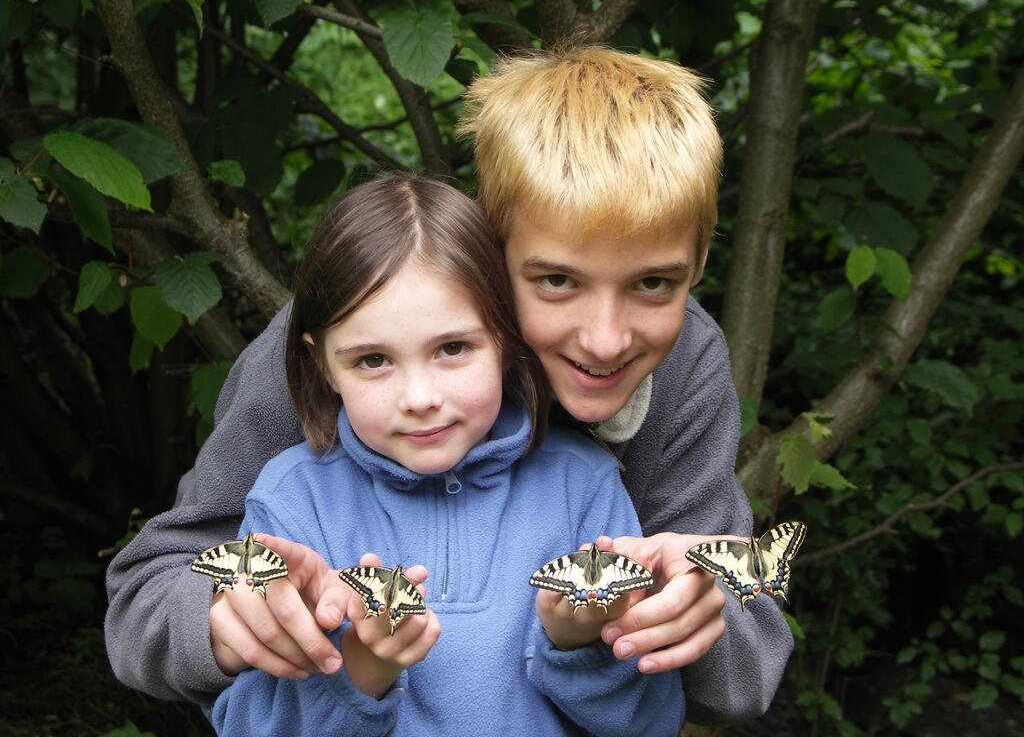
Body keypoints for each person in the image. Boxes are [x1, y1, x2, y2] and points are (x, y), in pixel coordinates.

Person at [104, 46, 793, 723]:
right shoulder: (354, 335)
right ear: (492, 242)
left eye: (653, 283)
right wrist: (226, 619)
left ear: (698, 263)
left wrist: (688, 607)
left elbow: (744, 673)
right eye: (556, 280)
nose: (607, 339)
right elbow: (149, 599)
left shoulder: (683, 361)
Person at [207, 174, 683, 736]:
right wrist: (363, 668)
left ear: (506, 341)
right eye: (372, 361)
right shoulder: (290, 504)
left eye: (453, 349)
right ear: (322, 365)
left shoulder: (585, 486)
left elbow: (654, 722)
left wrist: (580, 644)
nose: (420, 399)